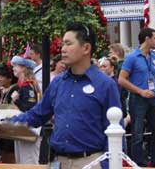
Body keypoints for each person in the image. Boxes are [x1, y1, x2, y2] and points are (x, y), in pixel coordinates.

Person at [11, 22, 121, 169]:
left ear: (86, 48)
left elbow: (115, 130)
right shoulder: (58, 83)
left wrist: (108, 165)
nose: (62, 49)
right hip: (58, 162)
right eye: (63, 44)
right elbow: (38, 114)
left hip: (91, 162)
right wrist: (7, 121)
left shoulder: (106, 85)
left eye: (68, 44)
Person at [118, 27, 155, 167]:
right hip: (138, 99)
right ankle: (138, 163)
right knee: (137, 134)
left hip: (153, 98)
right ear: (147, 39)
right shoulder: (132, 57)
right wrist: (140, 91)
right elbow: (121, 79)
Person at [9, 55, 42, 164]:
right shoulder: (23, 85)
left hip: (29, 129)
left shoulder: (28, 86)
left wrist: (16, 100)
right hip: (23, 129)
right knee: (21, 162)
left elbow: (30, 109)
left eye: (16, 66)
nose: (13, 68)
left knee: (28, 162)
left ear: (24, 68)